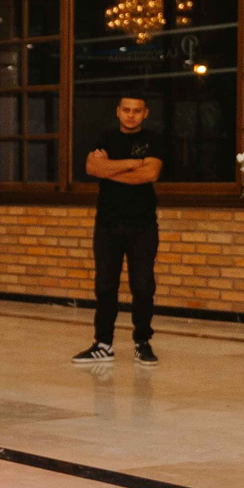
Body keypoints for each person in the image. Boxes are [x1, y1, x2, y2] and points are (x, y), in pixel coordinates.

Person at [76, 93, 162, 367]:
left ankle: (143, 343)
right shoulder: (105, 138)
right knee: (104, 286)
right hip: (108, 225)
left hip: (143, 225)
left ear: (145, 113)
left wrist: (109, 168)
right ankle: (103, 344)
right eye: (126, 109)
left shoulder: (154, 140)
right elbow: (92, 167)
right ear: (118, 111)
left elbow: (150, 175)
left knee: (143, 286)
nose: (131, 115)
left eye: (137, 110)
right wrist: (131, 163)